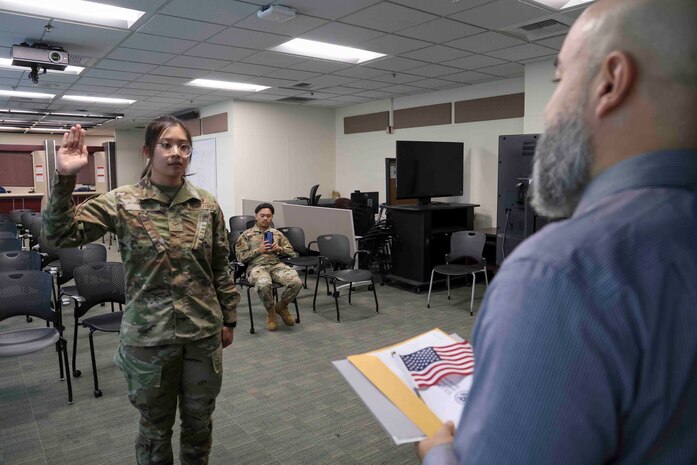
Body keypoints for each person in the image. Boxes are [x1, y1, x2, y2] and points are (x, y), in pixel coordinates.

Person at [418, 0, 697, 464]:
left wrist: (439, 454)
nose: (548, 111)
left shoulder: (558, 273)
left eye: (559, 80)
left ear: (610, 82)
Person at [43, 115, 240, 465]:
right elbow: (60, 237)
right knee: (154, 428)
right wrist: (65, 179)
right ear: (148, 151)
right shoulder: (122, 201)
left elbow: (221, 264)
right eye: (167, 144)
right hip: (149, 339)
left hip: (202, 334)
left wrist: (230, 318)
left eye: (184, 146)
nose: (176, 152)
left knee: (199, 422)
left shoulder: (206, 205)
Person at [235, 203, 302, 331]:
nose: (266, 218)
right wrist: (258, 250)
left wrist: (279, 249)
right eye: (262, 215)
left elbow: (291, 252)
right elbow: (240, 258)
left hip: (276, 265)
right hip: (257, 267)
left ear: (272, 217)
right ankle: (270, 311)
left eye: (269, 216)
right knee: (264, 284)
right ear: (256, 216)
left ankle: (282, 306)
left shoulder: (277, 234)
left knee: (297, 282)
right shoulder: (246, 235)